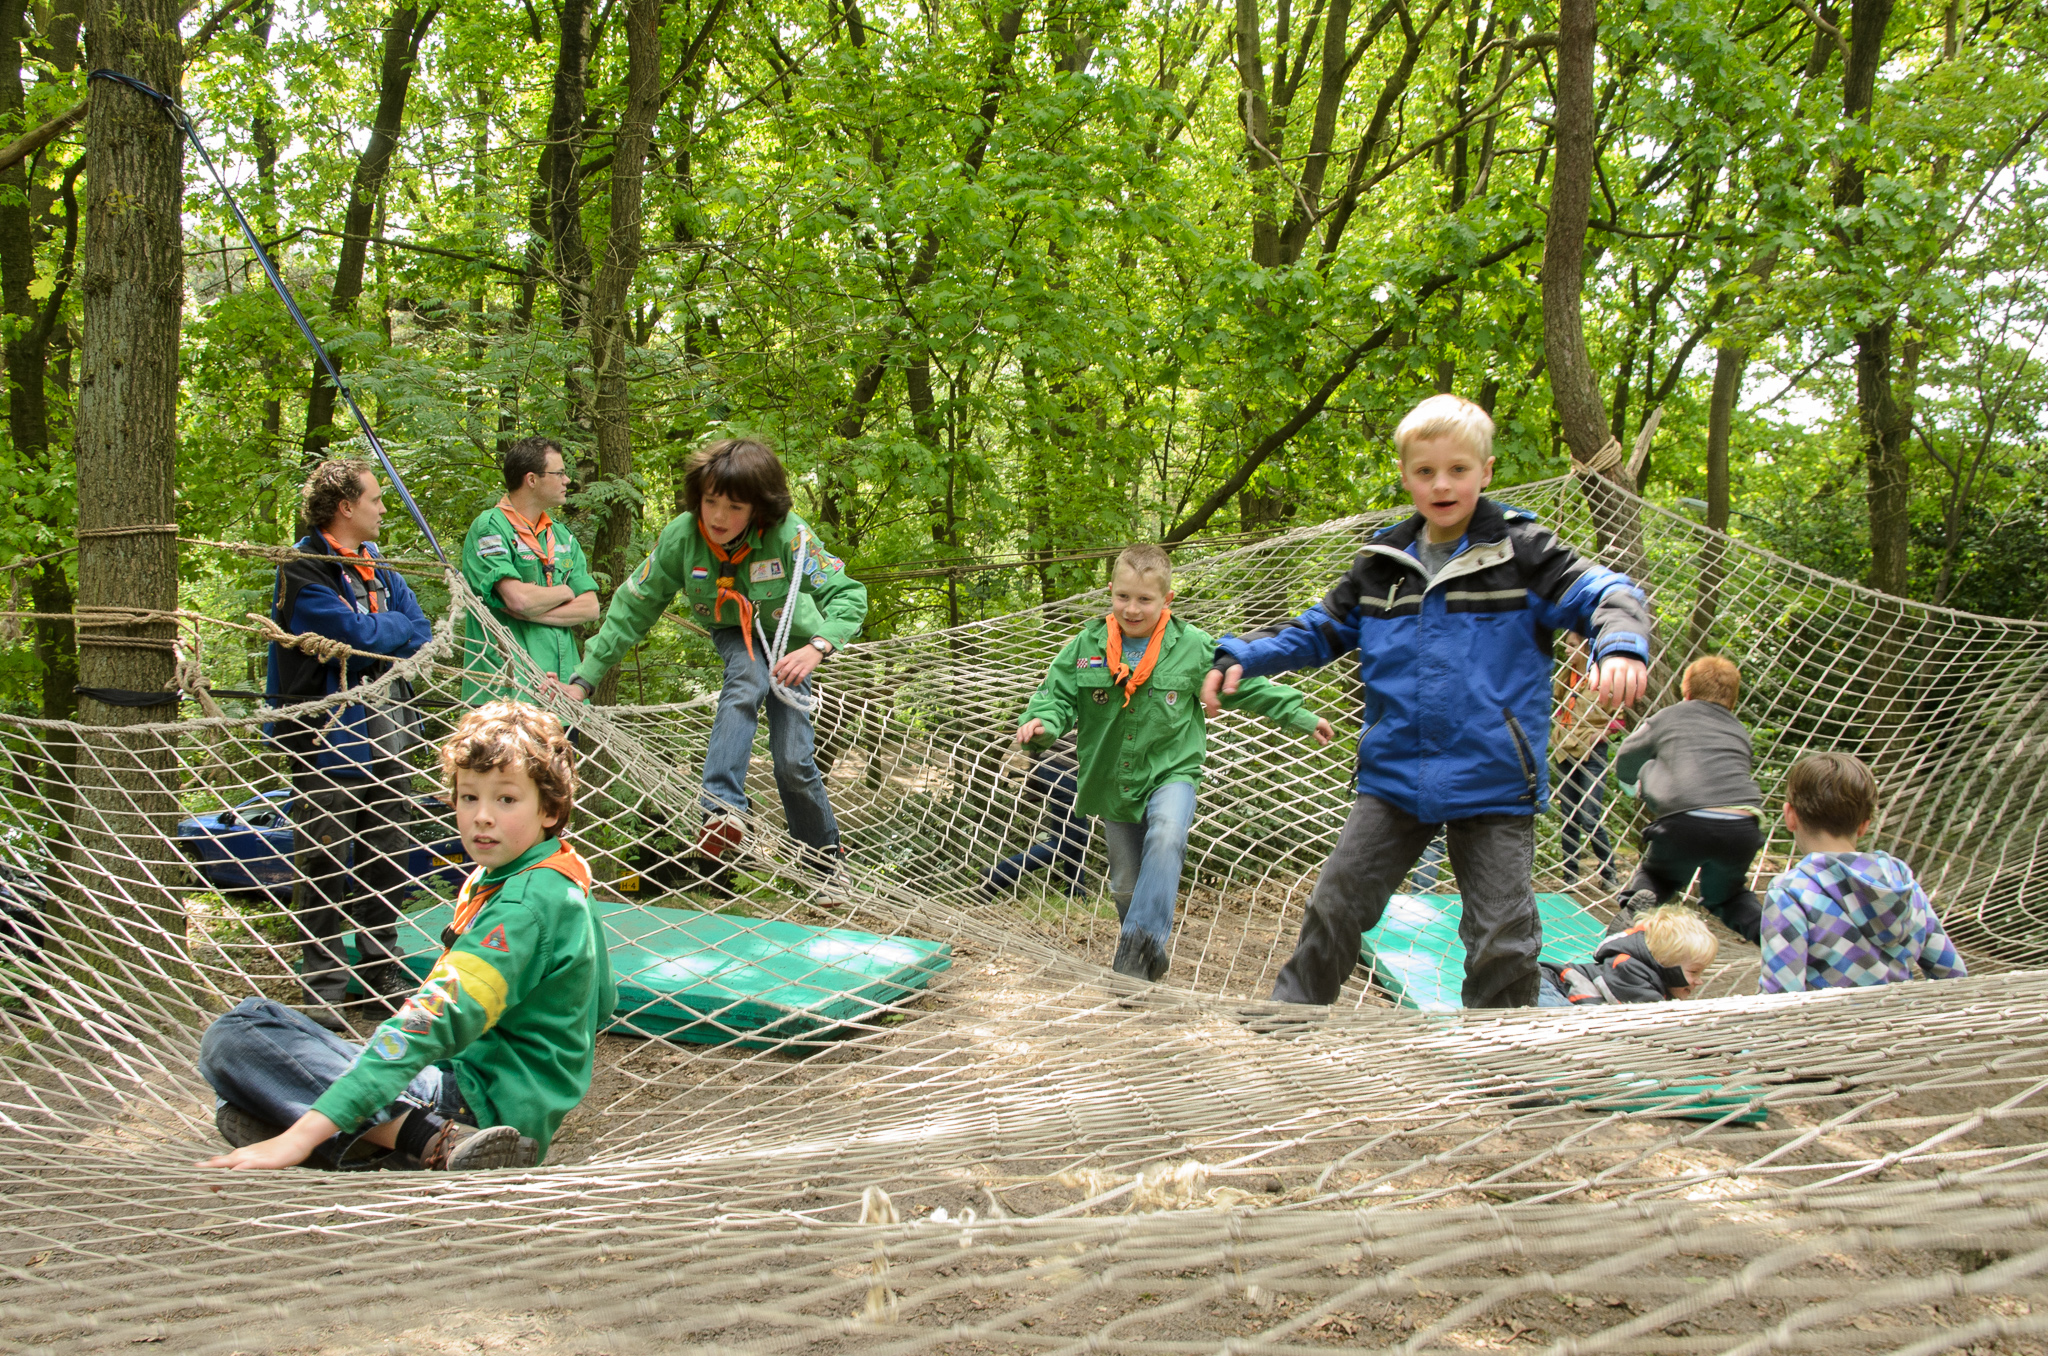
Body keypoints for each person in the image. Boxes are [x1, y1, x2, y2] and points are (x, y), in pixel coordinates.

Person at [1204, 394, 1652, 1009]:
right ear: (1406, 476)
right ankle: (1292, 1016)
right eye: (1425, 471)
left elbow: (1607, 591)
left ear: (1485, 472)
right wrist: (1242, 657)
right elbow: (1314, 632)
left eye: (1458, 470)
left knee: (1501, 935)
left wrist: (1620, 644)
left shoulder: (1523, 552)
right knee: (1336, 902)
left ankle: (1500, 1044)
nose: (1442, 485)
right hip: (1396, 775)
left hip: (1493, 778)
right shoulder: (1381, 566)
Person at [198, 701, 617, 1172]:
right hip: (514, 1099)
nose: (482, 816)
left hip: (474, 1099)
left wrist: (299, 1137)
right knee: (244, 1095)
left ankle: (429, 1138)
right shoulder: (558, 874)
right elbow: (603, 1002)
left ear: (550, 809)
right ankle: (378, 1142)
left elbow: (434, 1018)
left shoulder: (522, 905)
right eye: (468, 797)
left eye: (506, 800)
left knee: (238, 1033)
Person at [554, 437, 866, 892]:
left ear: (759, 508)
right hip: (733, 630)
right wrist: (584, 680)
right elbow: (632, 608)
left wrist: (817, 647)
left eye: (734, 507)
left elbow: (848, 594)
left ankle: (824, 863)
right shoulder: (682, 537)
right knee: (747, 677)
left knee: (793, 763)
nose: (718, 517)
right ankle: (722, 807)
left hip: (792, 643)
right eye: (711, 501)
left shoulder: (790, 535)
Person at [1016, 544, 1333, 981]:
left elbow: (1243, 686)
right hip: (1113, 779)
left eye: (1144, 599)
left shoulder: (1192, 646)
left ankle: (1136, 951)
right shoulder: (1085, 647)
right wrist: (1041, 725)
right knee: (1126, 883)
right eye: (1123, 596)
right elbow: (1055, 700)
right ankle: (1146, 956)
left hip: (1172, 771)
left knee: (1167, 835)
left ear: (1166, 600)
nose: (1132, 609)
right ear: (1110, 591)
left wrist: (1299, 715)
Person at [264, 459, 435, 1031]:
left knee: (387, 852)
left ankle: (380, 970)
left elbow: (421, 631)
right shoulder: (303, 567)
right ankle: (323, 986)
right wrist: (390, 634)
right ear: (345, 507)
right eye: (375, 499)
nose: (383, 508)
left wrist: (387, 636)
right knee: (324, 858)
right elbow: (351, 634)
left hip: (389, 731)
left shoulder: (377, 565)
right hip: (326, 735)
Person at [1759, 752, 1967, 993]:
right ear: (1864, 825)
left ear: (1790, 816)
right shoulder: (1904, 885)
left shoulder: (1790, 892)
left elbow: (1779, 996)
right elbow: (1953, 975)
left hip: (1825, 1019)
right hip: (1897, 1017)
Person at [1610, 655, 1765, 940]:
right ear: (1732, 701)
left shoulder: (1670, 716)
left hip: (1683, 821)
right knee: (1729, 896)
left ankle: (1627, 929)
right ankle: (1779, 943)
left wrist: (1630, 782)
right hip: (1742, 826)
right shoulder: (1738, 730)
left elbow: (1628, 756)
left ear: (1687, 691)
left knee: (1657, 879)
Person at [460, 436, 600, 703]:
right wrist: (565, 592)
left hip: (563, 695)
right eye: (559, 473)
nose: (567, 480)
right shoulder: (490, 527)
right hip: (506, 695)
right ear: (532, 479)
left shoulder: (562, 536)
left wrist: (532, 610)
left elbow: (590, 608)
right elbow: (519, 600)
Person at [1538, 904, 1718, 1005]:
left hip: (1567, 997)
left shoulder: (1653, 982)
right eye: (1694, 972)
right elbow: (1657, 1021)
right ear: (1663, 962)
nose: (1699, 981)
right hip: (1546, 987)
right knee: (1563, 1024)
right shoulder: (1628, 969)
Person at [1552, 632, 1621, 891]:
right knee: (1568, 817)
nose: (1566, 650)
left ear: (1585, 647)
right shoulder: (1564, 676)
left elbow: (1620, 718)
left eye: (1571, 645)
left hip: (1591, 753)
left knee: (1590, 817)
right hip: (1564, 751)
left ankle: (1609, 874)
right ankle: (1570, 876)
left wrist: (1599, 735)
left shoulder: (1604, 678)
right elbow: (1556, 704)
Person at [982, 736, 1090, 898]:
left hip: (1055, 766)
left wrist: (1034, 776)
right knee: (1067, 842)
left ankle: (1076, 895)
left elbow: (1041, 736)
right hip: (1064, 769)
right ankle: (997, 876)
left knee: (1076, 838)